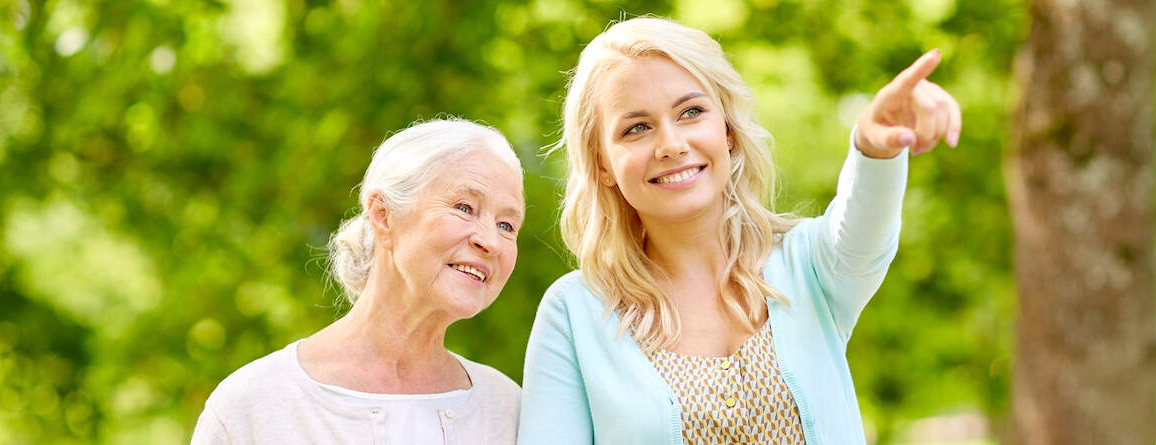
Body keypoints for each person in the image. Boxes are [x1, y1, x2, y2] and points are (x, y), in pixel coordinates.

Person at [518, 17, 961, 444]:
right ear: (601, 163)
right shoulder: (572, 314)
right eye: (637, 128)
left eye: (691, 112)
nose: (672, 144)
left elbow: (864, 229)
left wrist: (873, 147)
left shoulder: (809, 264)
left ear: (727, 130)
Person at [191, 119, 524, 444]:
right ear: (383, 215)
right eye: (464, 207)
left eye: (507, 225)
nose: (491, 242)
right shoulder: (254, 406)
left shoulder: (510, 411)